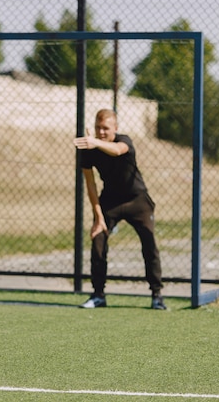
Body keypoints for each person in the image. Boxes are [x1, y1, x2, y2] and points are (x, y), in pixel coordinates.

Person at [73, 109, 166, 310]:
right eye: (98, 128)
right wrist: (98, 217)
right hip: (110, 201)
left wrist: (95, 142)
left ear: (115, 128)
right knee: (98, 239)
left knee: (149, 243)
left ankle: (156, 295)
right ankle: (98, 295)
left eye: (106, 128)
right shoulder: (88, 148)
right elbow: (90, 184)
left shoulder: (124, 141)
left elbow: (117, 150)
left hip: (137, 199)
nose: (101, 131)